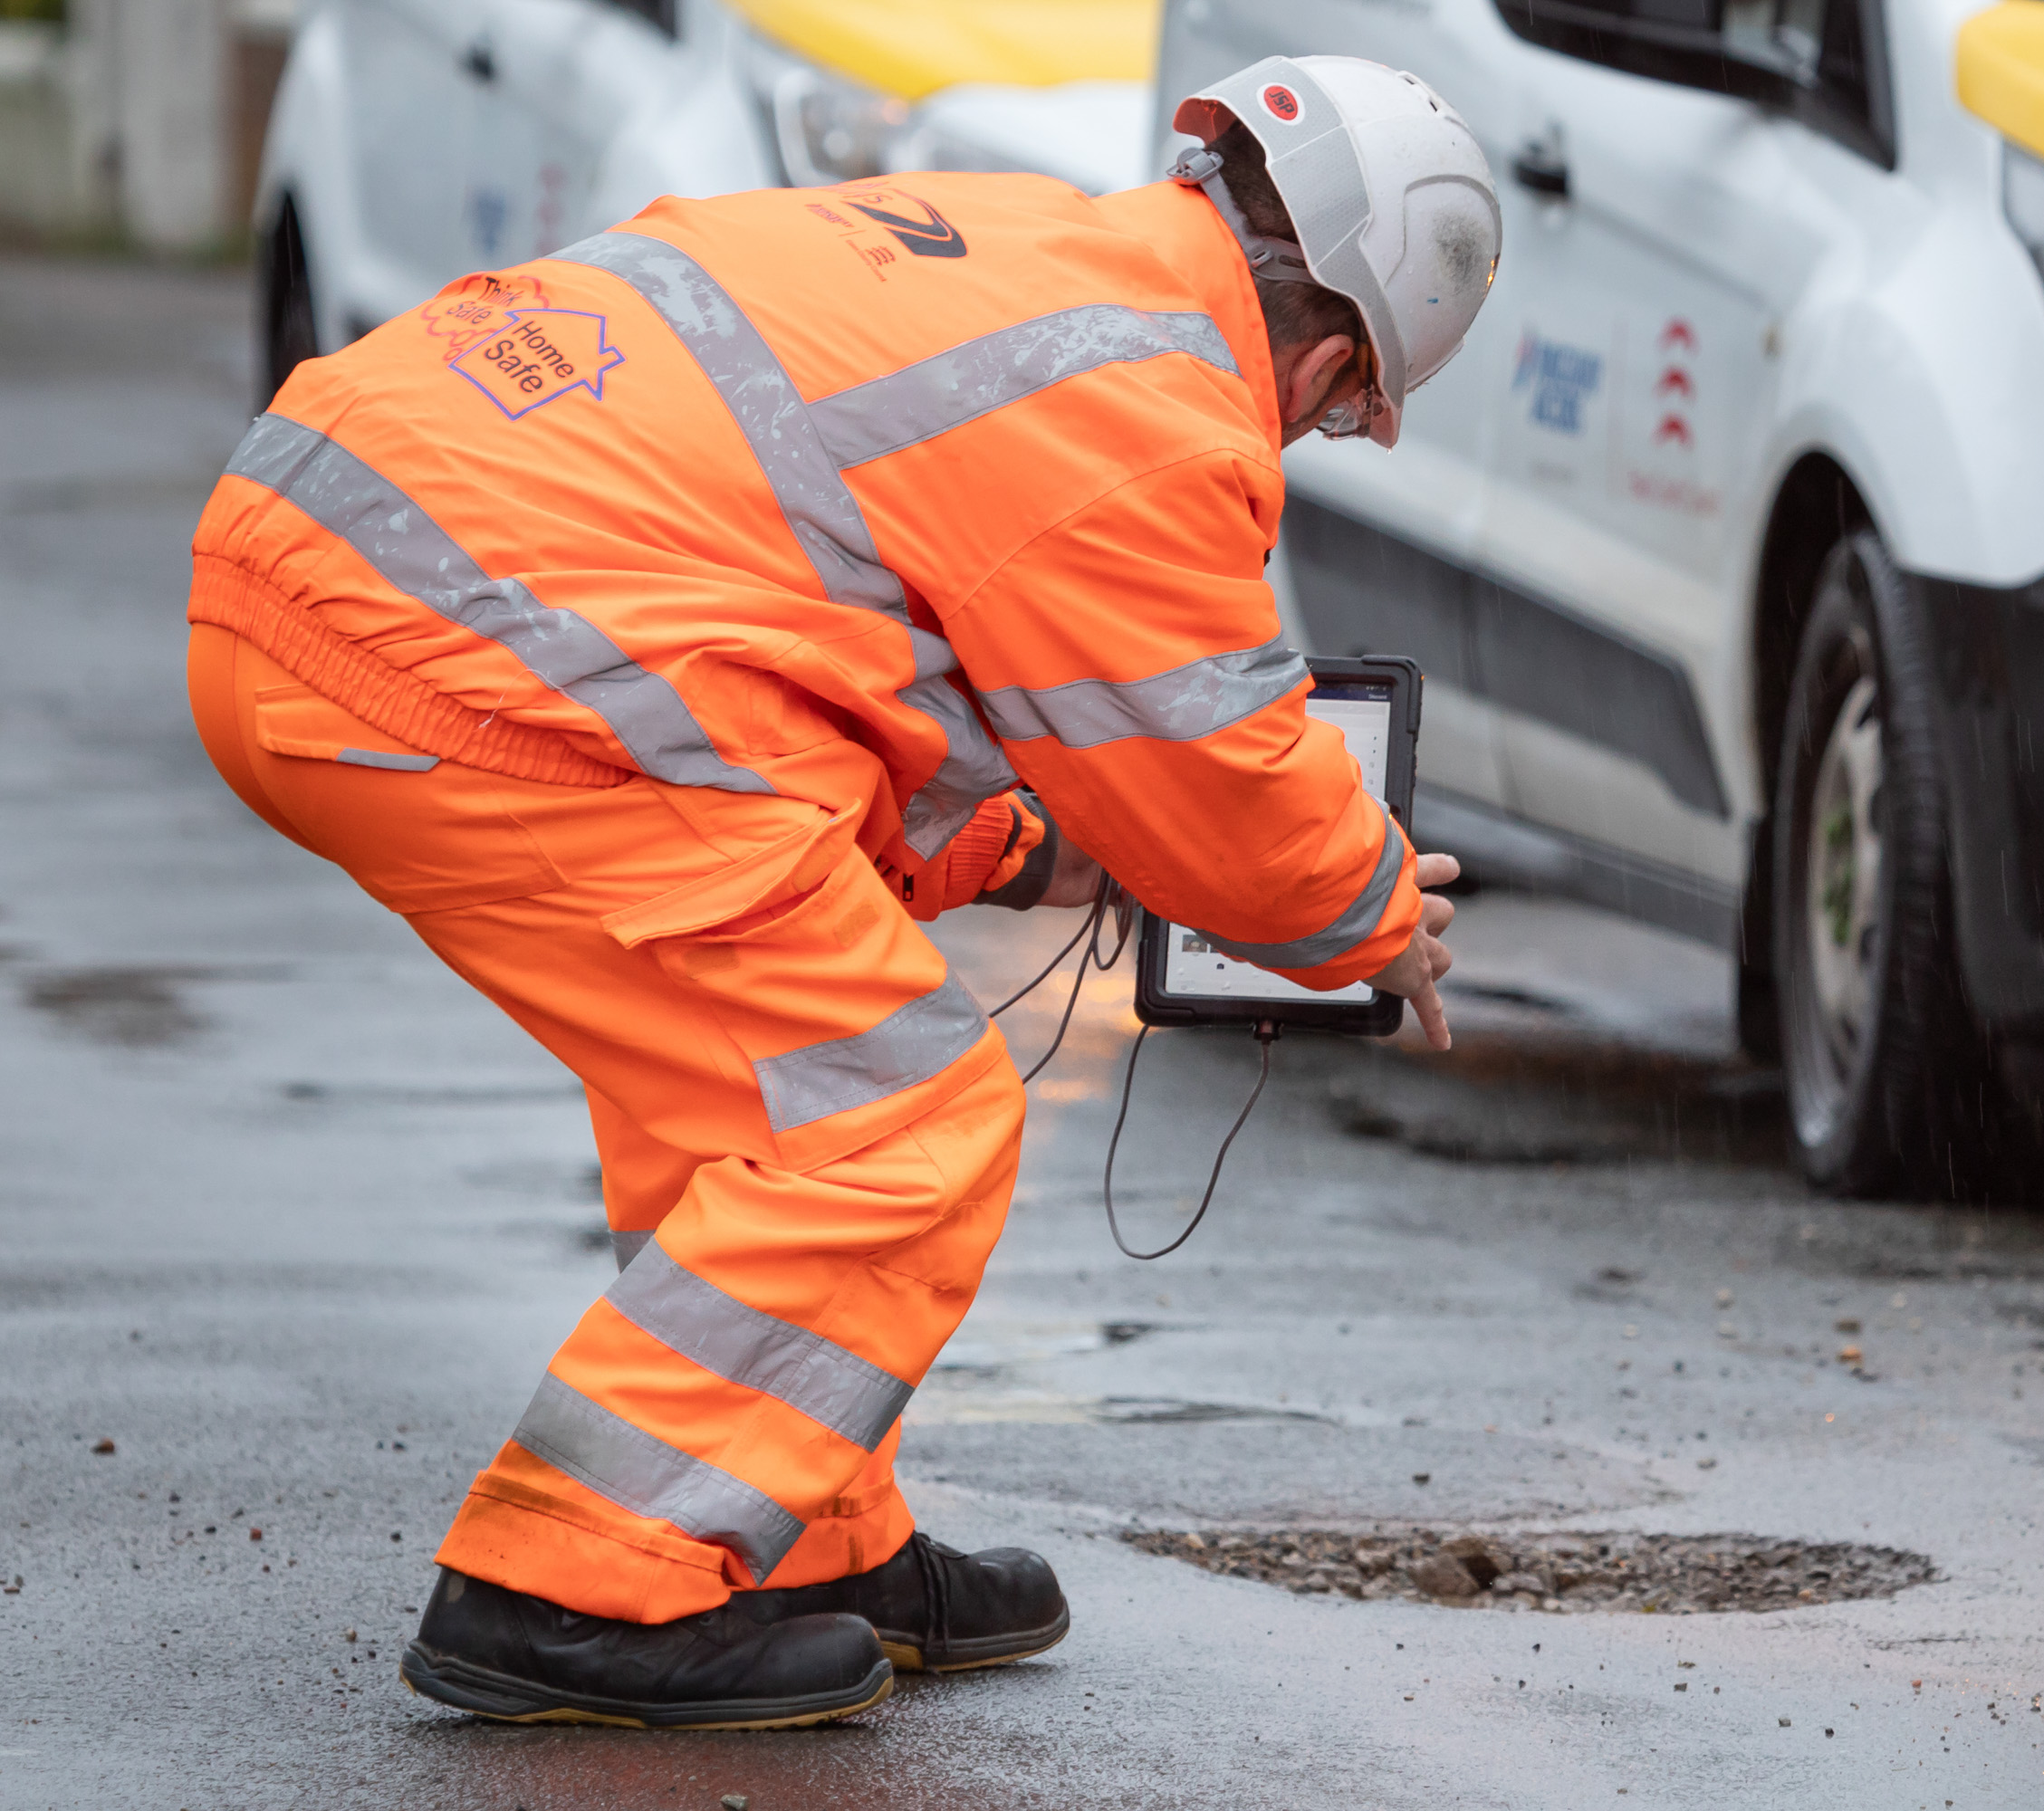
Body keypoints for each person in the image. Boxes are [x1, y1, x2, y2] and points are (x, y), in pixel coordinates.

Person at [182, 55, 1501, 1730]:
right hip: (466, 636)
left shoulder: (1031, 258)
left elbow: (849, 650)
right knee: (898, 1118)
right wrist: (1382, 914)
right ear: (1333, 365)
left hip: (350, 559)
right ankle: (579, 1584)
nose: (1311, 433)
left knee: (759, 1094)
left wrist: (1026, 847)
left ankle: (782, 1526)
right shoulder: (1148, 405)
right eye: (1339, 412)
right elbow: (1232, 792)